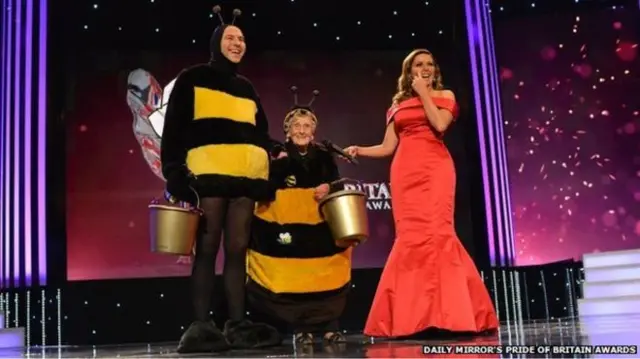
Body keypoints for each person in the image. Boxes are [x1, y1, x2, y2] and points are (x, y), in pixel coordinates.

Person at [345, 49, 499, 338]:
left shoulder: (447, 96)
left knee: (439, 233)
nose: (425, 68)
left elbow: (440, 125)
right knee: (411, 238)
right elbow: (388, 146)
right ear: (409, 70)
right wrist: (360, 150)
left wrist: (424, 93)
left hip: (436, 169)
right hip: (405, 172)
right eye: (419, 64)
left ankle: (454, 314)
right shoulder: (397, 105)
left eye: (429, 64)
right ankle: (410, 317)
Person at [160, 6, 281, 353]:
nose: (237, 43)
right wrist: (173, 169)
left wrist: (273, 152)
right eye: (230, 37)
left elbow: (260, 132)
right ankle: (201, 325)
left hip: (245, 177)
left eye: (241, 39)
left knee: (238, 250)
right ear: (216, 43)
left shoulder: (246, 87)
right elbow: (174, 128)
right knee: (208, 249)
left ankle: (237, 322)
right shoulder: (192, 77)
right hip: (209, 175)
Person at [246, 87, 352, 346]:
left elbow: (339, 183)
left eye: (307, 126)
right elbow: (266, 189)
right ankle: (300, 329)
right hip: (290, 231)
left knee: (326, 275)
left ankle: (329, 326)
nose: (302, 130)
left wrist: (329, 187)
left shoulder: (326, 156)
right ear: (288, 130)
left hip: (321, 229)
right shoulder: (278, 156)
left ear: (313, 131)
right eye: (297, 126)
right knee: (295, 279)